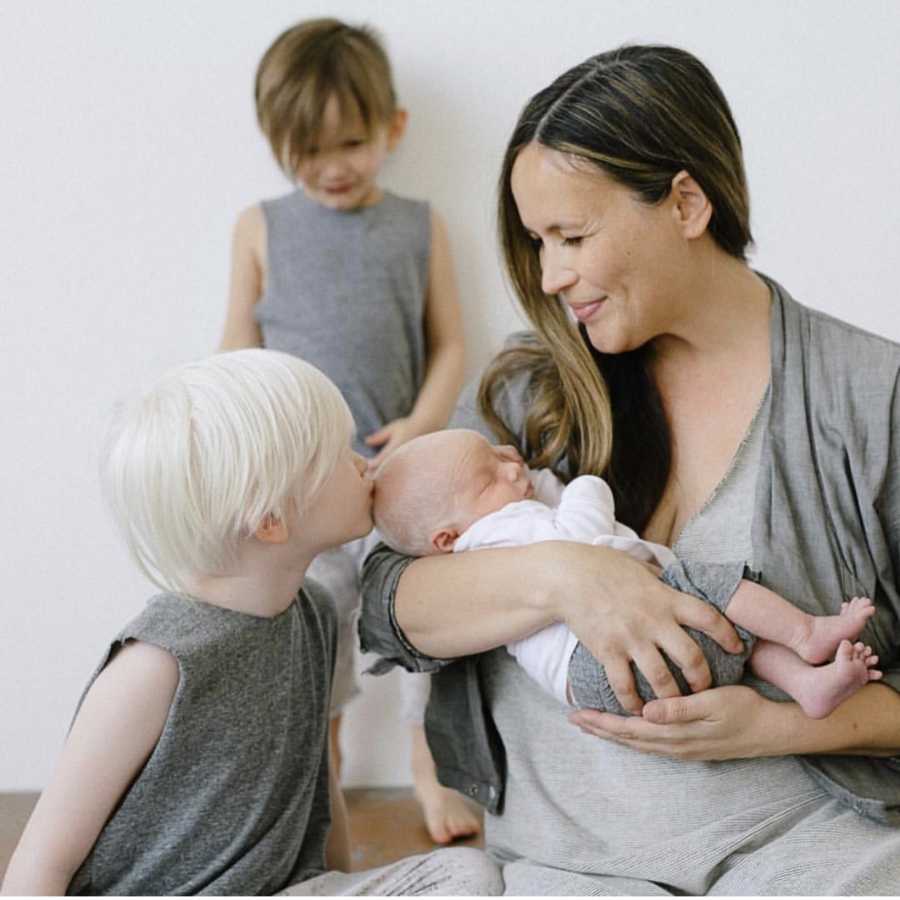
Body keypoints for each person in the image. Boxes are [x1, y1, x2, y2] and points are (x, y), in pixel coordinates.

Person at [359, 44, 900, 895]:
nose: (551, 275)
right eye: (539, 242)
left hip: (813, 856)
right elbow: (387, 602)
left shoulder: (871, 400)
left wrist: (778, 728)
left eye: (572, 236)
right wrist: (566, 575)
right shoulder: (530, 390)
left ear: (685, 202)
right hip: (554, 868)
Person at [0, 350, 502, 897]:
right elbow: (39, 864)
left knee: (468, 876)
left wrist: (341, 880)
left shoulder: (312, 612)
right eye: (338, 453)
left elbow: (318, 789)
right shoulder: (156, 664)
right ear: (269, 518)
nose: (363, 463)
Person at [217, 18, 475, 844]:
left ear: (393, 130)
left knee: (426, 614)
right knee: (317, 622)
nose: (331, 167)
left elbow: (450, 344)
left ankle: (428, 767)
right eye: (306, 150)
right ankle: (321, 775)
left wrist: (424, 424)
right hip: (307, 484)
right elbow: (235, 354)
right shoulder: (260, 227)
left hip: (401, 472)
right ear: (274, 143)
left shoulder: (419, 227)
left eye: (352, 143)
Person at [373, 427, 880, 719]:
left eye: (502, 455)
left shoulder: (482, 540)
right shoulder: (499, 531)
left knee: (727, 630)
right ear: (446, 537)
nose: (512, 468)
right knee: (714, 586)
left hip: (593, 684)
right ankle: (806, 633)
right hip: (602, 658)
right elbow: (580, 545)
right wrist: (587, 486)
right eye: (489, 477)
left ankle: (806, 687)